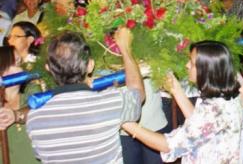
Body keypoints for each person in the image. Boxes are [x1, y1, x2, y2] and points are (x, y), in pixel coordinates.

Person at [6, 28, 144, 163]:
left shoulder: (35, 119)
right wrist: (125, 49)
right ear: (90, 65)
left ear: (48, 69)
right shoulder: (110, 102)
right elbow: (138, 93)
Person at [122, 41, 243, 163]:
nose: (187, 65)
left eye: (192, 63)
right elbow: (198, 123)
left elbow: (169, 145)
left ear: (206, 69)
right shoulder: (226, 95)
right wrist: (176, 90)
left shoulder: (214, 111)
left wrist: (126, 123)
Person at [0, 45, 39, 163]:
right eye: (17, 63)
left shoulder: (32, 93)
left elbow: (38, 110)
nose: (22, 67)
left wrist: (16, 115)